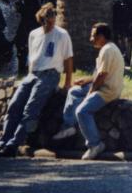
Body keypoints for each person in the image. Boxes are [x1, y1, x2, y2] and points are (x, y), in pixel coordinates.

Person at [0, 2, 73, 157]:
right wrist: (28, 75)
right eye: (46, 19)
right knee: (14, 106)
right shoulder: (34, 34)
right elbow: (32, 56)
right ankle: (2, 143)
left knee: (30, 109)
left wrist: (68, 81)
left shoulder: (62, 34)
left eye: (52, 18)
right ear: (41, 19)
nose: (49, 22)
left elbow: (68, 59)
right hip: (32, 74)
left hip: (50, 74)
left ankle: (13, 145)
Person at [51, 22, 125, 160]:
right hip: (104, 86)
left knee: (82, 110)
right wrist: (87, 80)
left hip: (107, 91)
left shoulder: (107, 50)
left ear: (102, 36)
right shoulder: (108, 48)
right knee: (73, 92)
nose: (91, 39)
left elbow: (102, 76)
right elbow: (102, 74)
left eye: (93, 36)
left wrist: (90, 92)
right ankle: (68, 126)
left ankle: (95, 144)